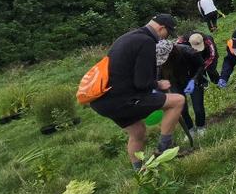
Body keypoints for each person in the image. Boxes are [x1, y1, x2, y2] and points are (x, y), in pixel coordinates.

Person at [88, 14, 186, 170]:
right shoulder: (146, 42)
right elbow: (142, 83)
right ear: (161, 28)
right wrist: (158, 84)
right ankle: (164, 149)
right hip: (121, 98)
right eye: (167, 33)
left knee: (138, 132)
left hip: (101, 100)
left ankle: (139, 172)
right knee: (177, 101)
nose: (165, 38)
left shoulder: (128, 37)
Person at [174, 31, 219, 137]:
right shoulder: (179, 46)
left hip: (195, 76)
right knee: (182, 109)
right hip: (178, 79)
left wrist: (195, 79)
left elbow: (210, 59)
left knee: (198, 107)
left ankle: (201, 127)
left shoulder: (208, 41)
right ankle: (190, 130)